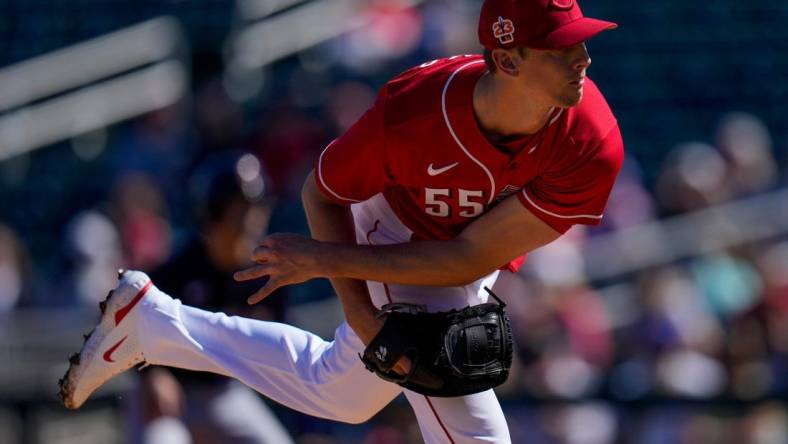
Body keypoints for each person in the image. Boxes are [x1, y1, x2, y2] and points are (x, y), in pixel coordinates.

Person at [60, 1, 624, 442]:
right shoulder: (413, 113)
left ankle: (154, 322)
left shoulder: (591, 139)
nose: (582, 58)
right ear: (506, 59)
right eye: (560, 47)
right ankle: (153, 324)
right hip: (392, 225)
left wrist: (326, 262)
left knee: (344, 396)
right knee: (476, 430)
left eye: (580, 41)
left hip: (460, 247)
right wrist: (361, 310)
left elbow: (470, 259)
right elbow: (322, 192)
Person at [130, 152, 293, 444]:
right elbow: (126, 323)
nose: (250, 221)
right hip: (169, 395)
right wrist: (152, 375)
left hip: (223, 393)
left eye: (256, 210)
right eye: (239, 210)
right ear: (213, 212)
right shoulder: (177, 270)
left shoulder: (270, 275)